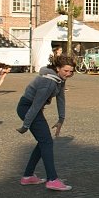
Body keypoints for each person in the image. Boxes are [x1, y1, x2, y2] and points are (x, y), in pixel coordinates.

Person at [17, 53, 76, 190]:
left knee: (43, 141)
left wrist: (61, 119)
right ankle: (52, 179)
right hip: (28, 109)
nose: (68, 74)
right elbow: (36, 104)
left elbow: (61, 98)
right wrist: (26, 124)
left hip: (33, 110)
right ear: (57, 68)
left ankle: (28, 176)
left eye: (71, 72)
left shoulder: (59, 80)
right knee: (47, 142)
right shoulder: (48, 82)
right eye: (65, 71)